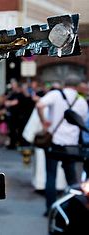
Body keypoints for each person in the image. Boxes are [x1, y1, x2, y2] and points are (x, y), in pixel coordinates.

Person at [36, 75, 88, 216]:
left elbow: (39, 104)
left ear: (65, 83)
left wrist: (44, 122)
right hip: (71, 146)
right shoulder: (82, 101)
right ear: (78, 86)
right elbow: (82, 122)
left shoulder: (56, 94)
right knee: (71, 179)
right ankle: (72, 209)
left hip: (54, 143)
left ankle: (50, 209)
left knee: (51, 176)